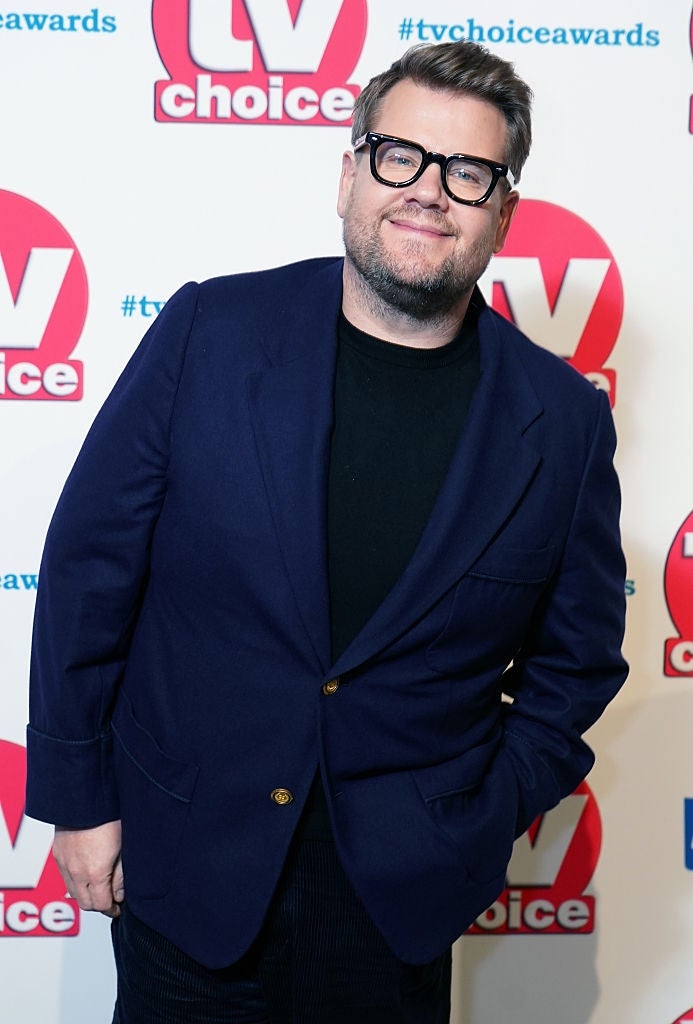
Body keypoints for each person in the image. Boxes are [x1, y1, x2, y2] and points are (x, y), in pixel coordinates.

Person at [26, 39, 627, 1024]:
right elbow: (89, 572)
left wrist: (481, 816)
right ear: (350, 174)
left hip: (398, 905)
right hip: (185, 871)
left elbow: (577, 665)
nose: (428, 191)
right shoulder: (209, 333)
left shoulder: (561, 423)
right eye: (401, 156)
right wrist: (79, 796)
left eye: (468, 172)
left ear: (504, 212)